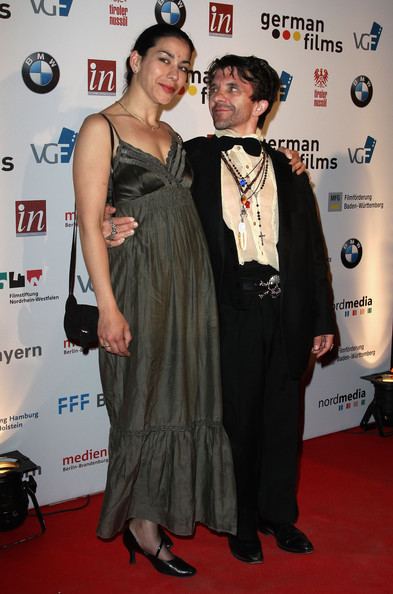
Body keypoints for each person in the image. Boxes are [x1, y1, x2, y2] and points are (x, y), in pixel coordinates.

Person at [72, 24, 237, 578]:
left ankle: (164, 505)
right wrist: (109, 308)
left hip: (190, 286)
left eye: (184, 67)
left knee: (181, 397)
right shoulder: (102, 128)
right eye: (165, 59)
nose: (174, 74)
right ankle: (142, 528)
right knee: (141, 399)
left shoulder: (173, 136)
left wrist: (287, 162)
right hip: (138, 285)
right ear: (136, 58)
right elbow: (90, 226)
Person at [183, 55, 336, 564]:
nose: (218, 96)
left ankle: (279, 516)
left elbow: (312, 250)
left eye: (232, 88)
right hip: (230, 312)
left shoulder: (289, 170)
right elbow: (148, 205)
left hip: (285, 311)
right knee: (237, 425)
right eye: (214, 87)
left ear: (261, 104)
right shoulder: (192, 159)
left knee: (281, 423)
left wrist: (321, 321)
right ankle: (240, 522)